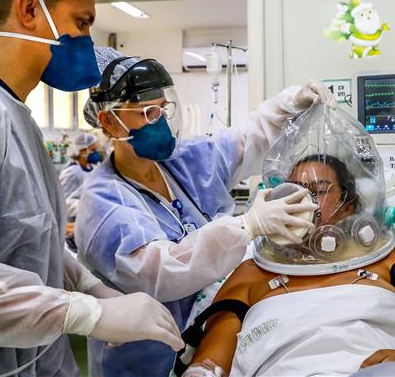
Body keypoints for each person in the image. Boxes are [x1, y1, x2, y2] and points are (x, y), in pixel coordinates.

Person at [75, 47, 333, 376]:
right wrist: (246, 227)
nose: (161, 121)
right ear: (110, 122)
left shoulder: (181, 162)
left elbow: (245, 141)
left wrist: (289, 105)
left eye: (164, 108)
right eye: (148, 112)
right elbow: (159, 274)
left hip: (210, 332)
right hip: (146, 359)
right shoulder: (103, 204)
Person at [0, 0, 185, 376]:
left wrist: (88, 287)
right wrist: (84, 314)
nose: (88, 43)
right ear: (29, 8)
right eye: (82, 22)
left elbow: (27, 243)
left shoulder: (13, 115)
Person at [182, 155, 395, 376]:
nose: (302, 201)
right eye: (293, 191)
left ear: (348, 204)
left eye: (317, 191)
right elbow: (210, 364)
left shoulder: (388, 260)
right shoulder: (251, 272)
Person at [59, 132, 103, 219]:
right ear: (81, 150)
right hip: (74, 220)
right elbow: (63, 203)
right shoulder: (71, 172)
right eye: (93, 150)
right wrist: (90, 208)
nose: (96, 153)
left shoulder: (93, 168)